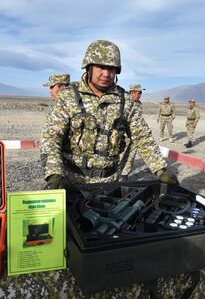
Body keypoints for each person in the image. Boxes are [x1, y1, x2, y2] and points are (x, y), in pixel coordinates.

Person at [41, 40, 177, 188]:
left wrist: (160, 170)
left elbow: (142, 136)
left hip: (109, 184)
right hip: (71, 182)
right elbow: (51, 136)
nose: (106, 74)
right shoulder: (69, 96)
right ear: (89, 66)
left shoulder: (125, 101)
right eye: (101, 67)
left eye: (111, 69)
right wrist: (54, 174)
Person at [121, 83, 145, 180]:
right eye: (138, 92)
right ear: (132, 92)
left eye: (141, 93)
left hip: (134, 135)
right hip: (123, 135)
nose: (140, 95)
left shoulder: (139, 104)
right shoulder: (124, 103)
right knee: (120, 155)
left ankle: (124, 174)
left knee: (131, 155)